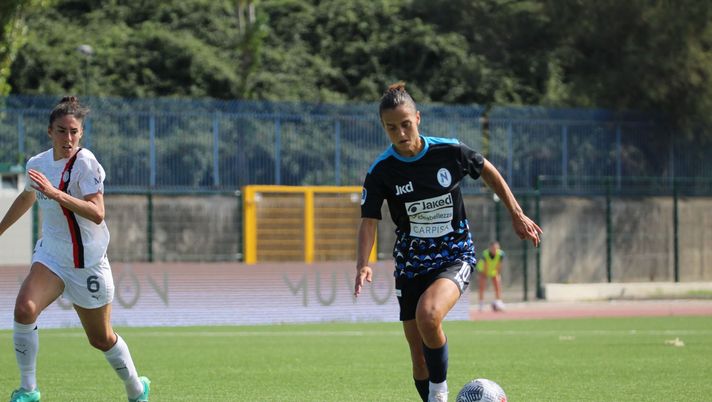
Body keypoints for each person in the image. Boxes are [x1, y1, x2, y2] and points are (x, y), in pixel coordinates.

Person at [354, 82, 542, 402]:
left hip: (454, 254)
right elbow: (369, 220)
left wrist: (517, 213)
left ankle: (440, 394)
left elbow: (488, 170)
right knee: (418, 357)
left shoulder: (449, 151)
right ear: (383, 127)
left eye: (406, 124)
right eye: (391, 127)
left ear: (418, 118)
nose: (400, 133)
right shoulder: (382, 171)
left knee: (429, 315)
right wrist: (363, 264)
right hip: (411, 264)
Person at [0, 96, 151, 402]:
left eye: (73, 132)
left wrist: (56, 193)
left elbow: (97, 213)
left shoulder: (86, 163)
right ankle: (28, 389)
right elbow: (27, 197)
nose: (67, 138)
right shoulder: (37, 164)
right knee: (24, 309)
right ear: (49, 132)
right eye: (61, 131)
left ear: (81, 133)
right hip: (52, 256)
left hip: (87, 263)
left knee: (101, 339)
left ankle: (136, 387)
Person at [476, 241, 506, 312]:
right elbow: (485, 267)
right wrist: (485, 276)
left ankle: (498, 302)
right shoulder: (485, 254)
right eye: (493, 248)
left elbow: (499, 265)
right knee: (482, 287)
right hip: (483, 271)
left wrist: (497, 274)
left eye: (496, 248)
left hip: (493, 271)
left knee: (498, 285)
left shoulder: (501, 254)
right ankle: (481, 305)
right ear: (490, 248)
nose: (494, 250)